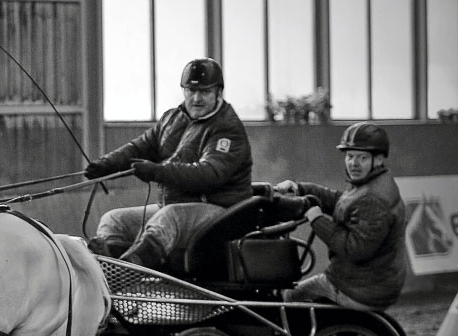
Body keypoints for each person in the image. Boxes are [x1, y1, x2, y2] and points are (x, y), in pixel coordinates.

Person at [85, 58, 253, 269]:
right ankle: (110, 273)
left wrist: (156, 171)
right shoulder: (171, 119)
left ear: (219, 92)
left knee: (168, 218)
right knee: (114, 220)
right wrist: (106, 164)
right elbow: (140, 147)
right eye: (191, 91)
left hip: (220, 212)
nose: (196, 98)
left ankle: (127, 272)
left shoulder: (227, 129)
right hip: (175, 207)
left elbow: (208, 174)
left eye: (205, 92)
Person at [274, 122, 406, 311]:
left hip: (359, 288)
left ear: (378, 160)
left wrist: (317, 220)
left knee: (289, 297)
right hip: (369, 281)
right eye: (350, 156)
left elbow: (355, 249)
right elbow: (342, 202)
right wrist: (301, 189)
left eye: (362, 157)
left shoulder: (373, 198)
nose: (354, 163)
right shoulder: (371, 183)